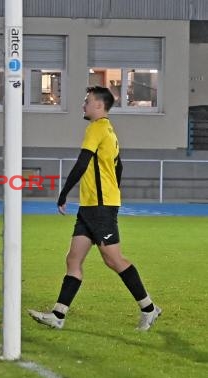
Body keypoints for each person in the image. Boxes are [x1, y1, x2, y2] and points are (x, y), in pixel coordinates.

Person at [28, 86, 161, 331]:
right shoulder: (109, 131)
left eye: (87, 101)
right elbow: (119, 167)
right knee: (73, 259)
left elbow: (82, 163)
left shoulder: (97, 128)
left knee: (113, 259)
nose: (84, 105)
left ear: (99, 105)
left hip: (99, 207)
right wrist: (111, 192)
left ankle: (149, 308)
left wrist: (63, 193)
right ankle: (58, 315)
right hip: (92, 206)